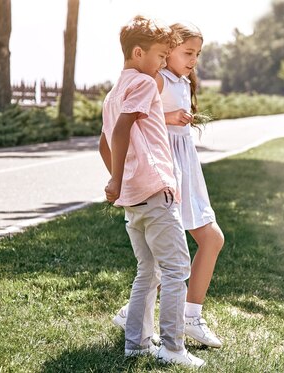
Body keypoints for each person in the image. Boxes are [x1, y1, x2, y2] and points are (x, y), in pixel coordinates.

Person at [111, 21, 225, 349]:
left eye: (198, 54)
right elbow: (135, 122)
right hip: (166, 168)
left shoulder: (183, 81)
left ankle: (186, 315)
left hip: (185, 166)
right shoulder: (156, 79)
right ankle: (172, 318)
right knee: (171, 256)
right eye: (187, 52)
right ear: (168, 51)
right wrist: (169, 118)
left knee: (209, 240)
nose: (193, 60)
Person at [98, 15, 203, 368]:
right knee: (176, 268)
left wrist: (120, 179)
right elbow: (123, 129)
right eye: (160, 55)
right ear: (138, 52)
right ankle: (173, 348)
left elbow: (104, 142)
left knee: (148, 271)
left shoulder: (114, 93)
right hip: (156, 191)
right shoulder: (143, 83)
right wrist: (116, 180)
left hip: (134, 197)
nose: (162, 63)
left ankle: (137, 344)